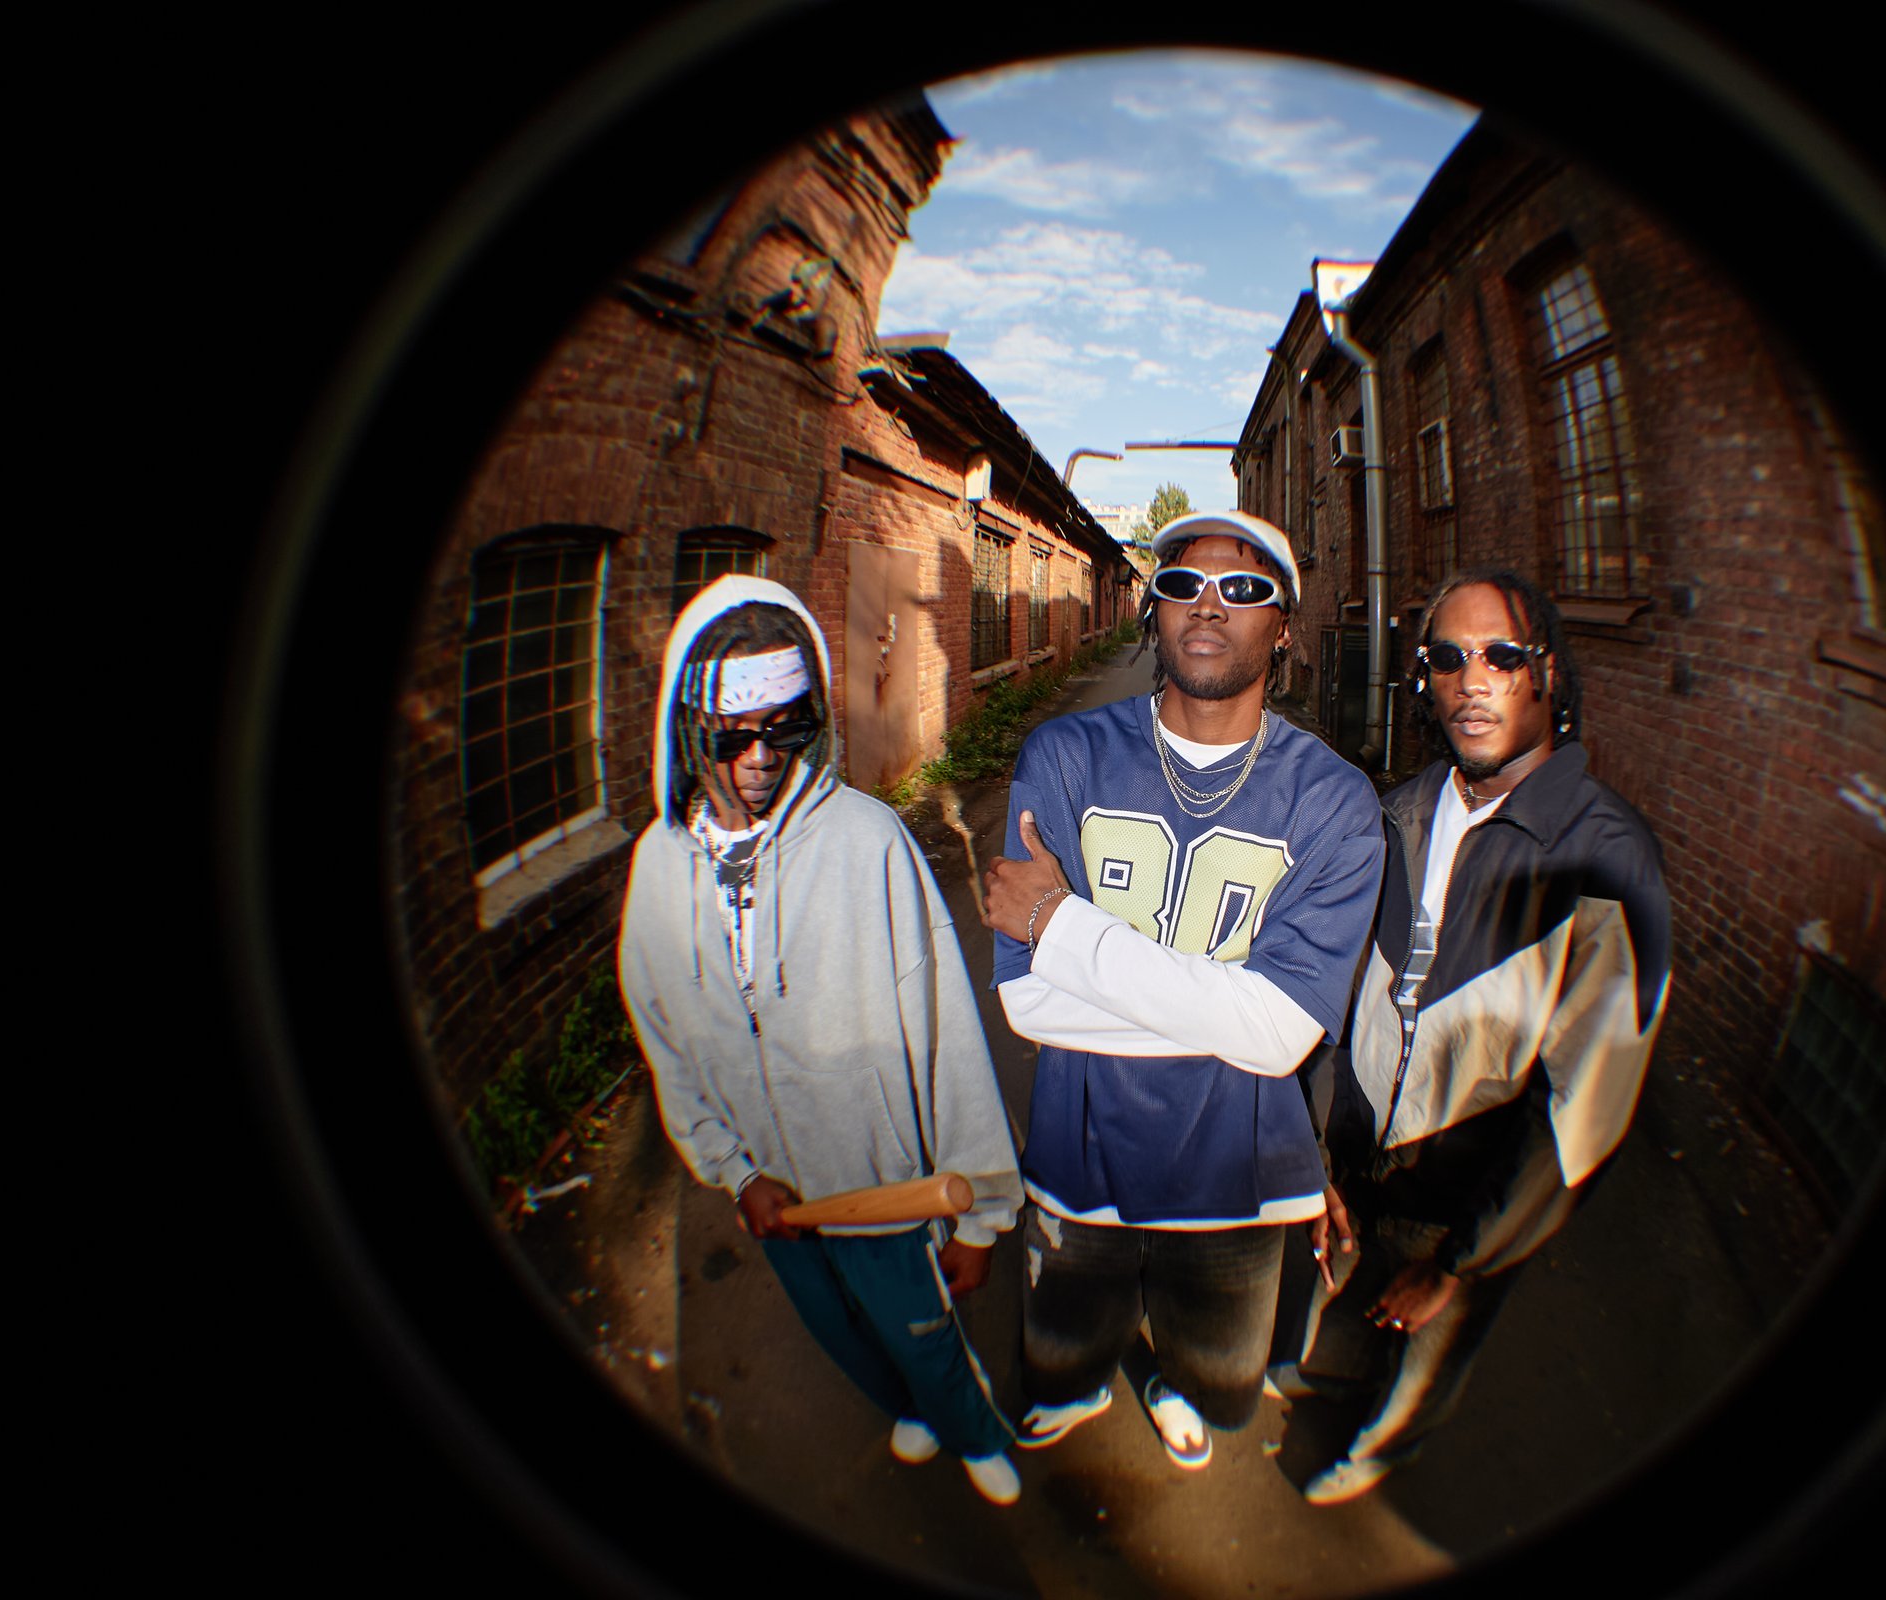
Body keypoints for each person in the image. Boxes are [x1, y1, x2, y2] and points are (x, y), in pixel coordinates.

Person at [981, 510, 1385, 1471]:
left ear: (1282, 627)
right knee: (1062, 1345)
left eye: (1244, 588)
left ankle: (1170, 1386)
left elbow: (1282, 1035)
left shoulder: (1334, 799)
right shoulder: (1066, 755)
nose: (1208, 604)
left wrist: (1061, 928)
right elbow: (1027, 1002)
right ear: (1153, 609)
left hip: (1242, 1176)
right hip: (1081, 1153)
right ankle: (1082, 1387)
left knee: (1219, 1374)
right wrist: (1228, 1012)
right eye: (1180, 583)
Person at [617, 575, 1027, 1506]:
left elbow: (944, 1035)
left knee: (923, 1328)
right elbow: (667, 1042)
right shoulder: (657, 870)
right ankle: (913, 1410)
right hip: (777, 1201)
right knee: (845, 1334)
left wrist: (981, 1214)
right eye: (734, 735)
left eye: (787, 726)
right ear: (688, 727)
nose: (762, 758)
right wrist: (734, 1172)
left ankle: (971, 1429)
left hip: (881, 1192)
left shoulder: (867, 843)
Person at [1289, 568, 1673, 1505]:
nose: (1472, 680)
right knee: (1343, 1306)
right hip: (1360, 1160)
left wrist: (1465, 1261)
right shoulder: (1396, 813)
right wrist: (1313, 1154)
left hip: (1468, 1191)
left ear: (1549, 674)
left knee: (1424, 1349)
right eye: (1447, 657)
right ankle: (1325, 1381)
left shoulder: (1606, 857)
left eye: (1502, 656)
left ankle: (1378, 1451)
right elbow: (1333, 998)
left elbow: (1586, 1105)